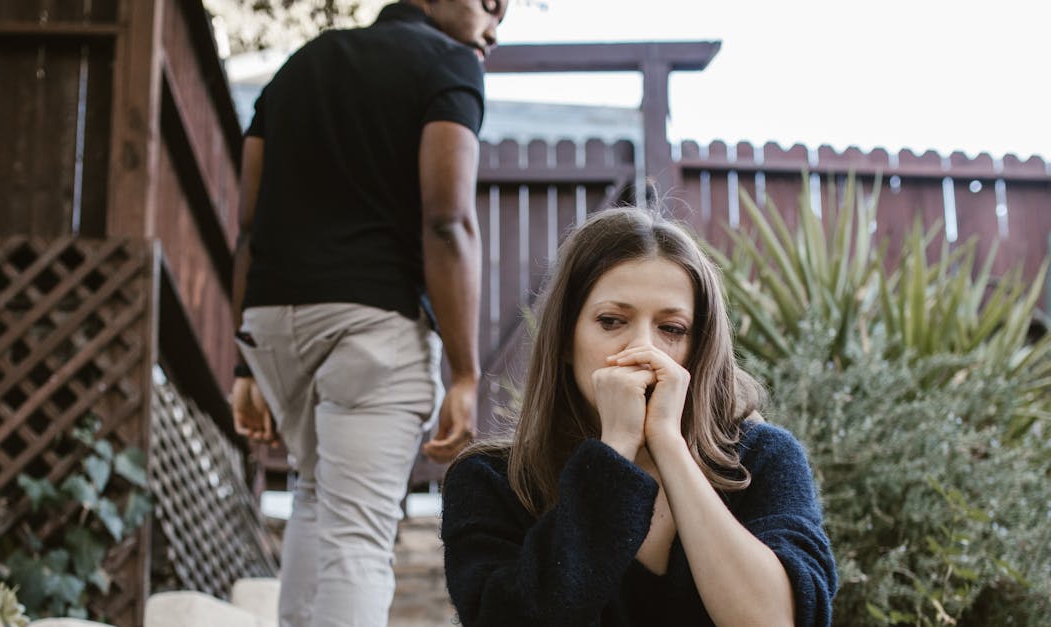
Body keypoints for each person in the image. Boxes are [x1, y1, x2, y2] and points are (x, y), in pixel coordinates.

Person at [228, 2, 507, 626]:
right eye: (491, 5)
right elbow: (448, 221)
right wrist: (465, 374)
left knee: (315, 494)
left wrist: (243, 360)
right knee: (357, 536)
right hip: (373, 327)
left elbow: (248, 227)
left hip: (274, 324)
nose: (494, 28)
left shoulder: (300, 65)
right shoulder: (450, 65)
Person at [441, 207, 838, 626]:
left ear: (698, 349)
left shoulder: (763, 459)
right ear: (566, 341)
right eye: (612, 321)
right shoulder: (492, 480)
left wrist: (669, 444)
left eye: (672, 329)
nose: (642, 351)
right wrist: (614, 453)